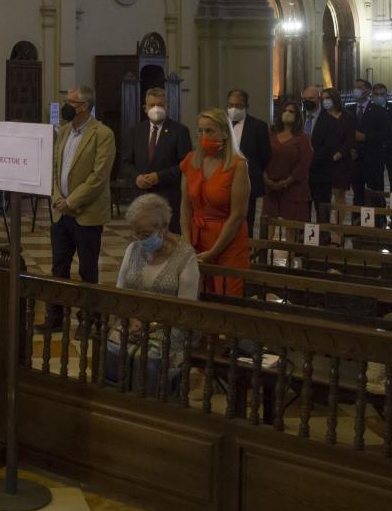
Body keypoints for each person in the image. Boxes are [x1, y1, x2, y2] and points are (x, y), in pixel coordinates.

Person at [104, 193, 198, 395]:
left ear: (163, 227)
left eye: (146, 234)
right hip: (132, 321)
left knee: (150, 359)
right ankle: (115, 406)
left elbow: (186, 309)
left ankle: (151, 412)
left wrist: (150, 324)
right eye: (136, 234)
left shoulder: (185, 257)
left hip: (169, 326)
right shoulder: (133, 249)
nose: (140, 240)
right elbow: (120, 293)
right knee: (112, 349)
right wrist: (129, 319)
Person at [42, 85, 115, 330]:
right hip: (60, 213)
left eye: (70, 102)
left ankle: (88, 321)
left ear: (83, 106)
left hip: (87, 213)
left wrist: (71, 201)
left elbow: (98, 176)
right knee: (58, 268)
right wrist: (57, 198)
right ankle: (55, 319)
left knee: (87, 269)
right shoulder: (63, 132)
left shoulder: (103, 134)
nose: (65, 105)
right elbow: (53, 168)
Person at [181, 108, 251, 295]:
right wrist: (187, 244)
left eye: (210, 131)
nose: (204, 135)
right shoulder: (191, 161)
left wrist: (214, 252)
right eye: (200, 131)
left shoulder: (238, 165)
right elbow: (185, 207)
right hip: (197, 239)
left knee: (227, 295)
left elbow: (237, 215)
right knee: (198, 294)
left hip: (227, 240)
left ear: (225, 133)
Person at [119, 87, 192, 233]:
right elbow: (125, 162)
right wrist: (136, 177)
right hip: (141, 197)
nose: (156, 108)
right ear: (145, 108)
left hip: (168, 198)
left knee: (168, 244)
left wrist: (159, 177)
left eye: (160, 105)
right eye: (152, 105)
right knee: (144, 242)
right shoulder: (136, 131)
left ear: (167, 107)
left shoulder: (180, 131)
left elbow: (185, 165)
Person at [226, 89, 270, 232]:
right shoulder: (221, 124)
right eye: (231, 105)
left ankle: (247, 248)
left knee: (246, 220)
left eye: (238, 106)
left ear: (246, 106)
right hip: (224, 179)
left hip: (248, 180)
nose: (234, 109)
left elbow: (266, 156)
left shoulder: (258, 127)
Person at [264, 100, 313, 221]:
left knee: (291, 225)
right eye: (285, 111)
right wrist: (266, 179)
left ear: (297, 116)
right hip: (271, 186)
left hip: (293, 187)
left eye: (291, 111)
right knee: (270, 223)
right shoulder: (271, 134)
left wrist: (286, 182)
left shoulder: (303, 138)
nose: (287, 113)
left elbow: (304, 164)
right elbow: (262, 156)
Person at [309, 87, 355, 206]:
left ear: (335, 99)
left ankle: (338, 224)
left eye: (328, 98)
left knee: (339, 195)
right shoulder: (321, 117)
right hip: (323, 161)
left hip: (341, 161)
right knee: (324, 196)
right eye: (323, 98)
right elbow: (316, 139)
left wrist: (338, 155)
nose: (325, 101)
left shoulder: (347, 117)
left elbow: (349, 140)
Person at [350, 78, 392, 203]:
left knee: (375, 193)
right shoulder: (350, 110)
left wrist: (366, 137)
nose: (357, 90)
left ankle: (379, 219)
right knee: (357, 193)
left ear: (368, 91)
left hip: (373, 159)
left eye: (360, 88)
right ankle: (357, 220)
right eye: (355, 88)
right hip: (355, 160)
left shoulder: (378, 110)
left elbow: (387, 134)